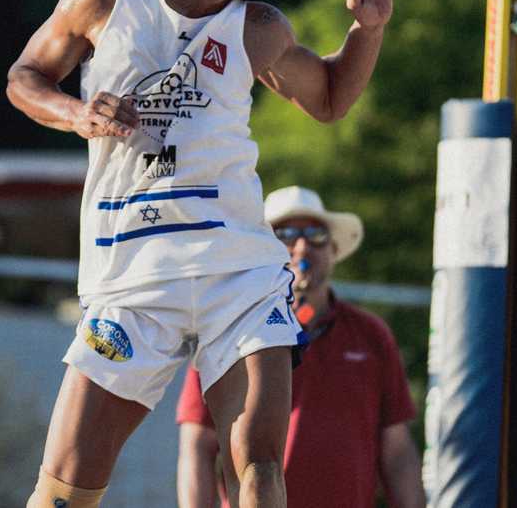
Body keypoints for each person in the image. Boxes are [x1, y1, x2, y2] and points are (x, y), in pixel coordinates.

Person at [6, 0, 397, 508]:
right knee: (61, 492)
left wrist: (368, 30)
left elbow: (328, 97)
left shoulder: (260, 26)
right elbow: (24, 77)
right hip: (132, 275)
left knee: (258, 471)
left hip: (236, 272)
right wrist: (78, 115)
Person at [176, 185, 426, 508]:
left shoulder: (370, 334)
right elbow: (198, 444)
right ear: (261, 249)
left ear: (334, 249)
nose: (302, 246)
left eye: (316, 234)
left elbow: (397, 449)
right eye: (286, 234)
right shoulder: (226, 331)